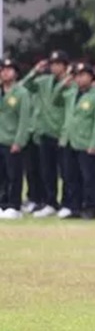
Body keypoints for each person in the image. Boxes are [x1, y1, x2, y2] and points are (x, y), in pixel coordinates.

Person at [21, 51, 72, 217]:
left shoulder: (71, 83)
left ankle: (67, 202)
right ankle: (50, 202)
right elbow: (23, 87)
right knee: (47, 170)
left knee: (65, 172)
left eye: (58, 64)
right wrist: (35, 71)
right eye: (52, 64)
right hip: (45, 131)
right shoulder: (44, 81)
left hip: (61, 132)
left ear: (65, 66)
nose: (54, 67)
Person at [64, 64, 95, 220]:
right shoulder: (72, 94)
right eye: (77, 75)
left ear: (91, 77)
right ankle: (75, 207)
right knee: (72, 177)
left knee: (89, 178)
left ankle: (91, 208)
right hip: (72, 140)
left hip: (87, 142)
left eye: (83, 75)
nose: (79, 78)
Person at [0, 58, 31, 219]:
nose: (5, 72)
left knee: (14, 175)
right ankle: (2, 204)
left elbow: (24, 119)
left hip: (12, 140)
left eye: (9, 69)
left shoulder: (21, 93)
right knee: (1, 175)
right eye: (2, 69)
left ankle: (14, 205)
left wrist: (19, 141)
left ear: (16, 73)